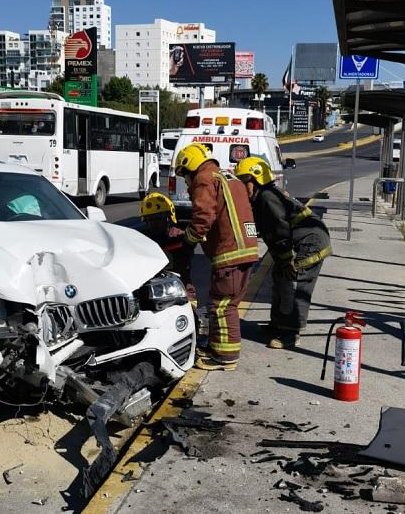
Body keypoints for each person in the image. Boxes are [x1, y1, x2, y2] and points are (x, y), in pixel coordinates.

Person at [174, 143, 258, 371]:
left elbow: (203, 217)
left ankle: (225, 357)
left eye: (184, 177)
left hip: (230, 251)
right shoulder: (227, 177)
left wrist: (188, 241)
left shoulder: (204, 178)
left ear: (189, 166)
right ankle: (217, 346)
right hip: (245, 248)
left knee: (223, 305)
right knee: (225, 302)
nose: (186, 182)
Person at [235, 156, 332, 349]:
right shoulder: (262, 197)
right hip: (297, 242)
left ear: (255, 180)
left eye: (244, 182)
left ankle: (290, 333)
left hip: (308, 243)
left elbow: (279, 228)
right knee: (279, 279)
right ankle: (277, 325)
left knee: (294, 286)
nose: (241, 188)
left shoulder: (267, 197)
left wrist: (287, 259)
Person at [139, 192, 197, 306]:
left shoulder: (180, 237)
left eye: (157, 218)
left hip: (181, 291)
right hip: (155, 293)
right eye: (149, 219)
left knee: (192, 316)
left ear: (169, 218)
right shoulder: (142, 240)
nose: (153, 223)